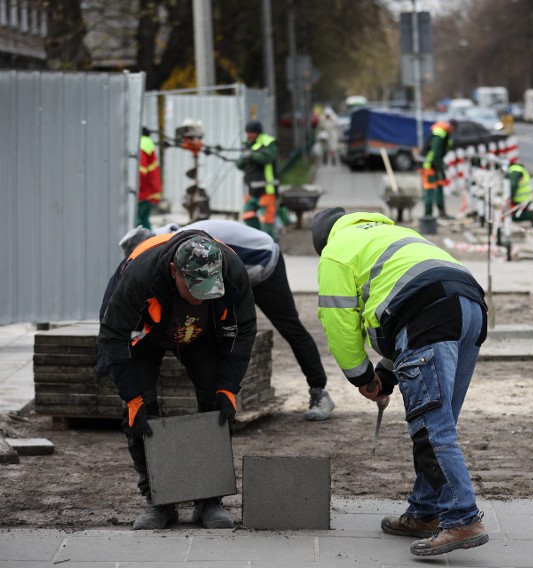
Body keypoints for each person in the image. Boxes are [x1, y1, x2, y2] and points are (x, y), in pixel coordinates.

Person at [310, 208, 489, 557]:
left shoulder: (335, 251)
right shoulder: (389, 235)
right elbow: (403, 308)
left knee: (432, 427)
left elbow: (339, 323)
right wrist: (387, 374)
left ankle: (462, 517)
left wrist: (361, 375)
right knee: (440, 420)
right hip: (469, 307)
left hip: (428, 316)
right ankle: (425, 512)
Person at [98, 231, 257, 530]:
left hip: (201, 335)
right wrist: (132, 396)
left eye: (210, 288)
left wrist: (228, 387)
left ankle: (209, 500)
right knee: (140, 412)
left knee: (217, 406)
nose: (202, 295)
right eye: (195, 288)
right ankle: (159, 500)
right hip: (144, 335)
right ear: (175, 272)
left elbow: (244, 331)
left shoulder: (232, 270)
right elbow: (112, 335)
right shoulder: (138, 278)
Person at [119, 221, 335, 420]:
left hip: (262, 261)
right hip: (230, 271)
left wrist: (226, 383)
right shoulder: (169, 247)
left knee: (289, 327)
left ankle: (319, 390)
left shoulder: (190, 247)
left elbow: (241, 326)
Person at [236, 121, 279, 239]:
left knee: (267, 221)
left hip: (267, 190)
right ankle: (258, 238)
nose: (249, 135)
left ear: (257, 133)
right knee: (247, 215)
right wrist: (243, 158)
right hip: (252, 191)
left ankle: (271, 243)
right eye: (247, 133)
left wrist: (251, 155)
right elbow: (239, 164)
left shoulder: (269, 142)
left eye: (251, 133)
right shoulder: (247, 145)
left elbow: (268, 158)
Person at [420, 119, 455, 219]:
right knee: (429, 190)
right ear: (451, 127)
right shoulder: (439, 135)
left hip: (436, 165)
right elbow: (436, 153)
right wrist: (440, 167)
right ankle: (428, 215)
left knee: (440, 187)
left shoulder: (444, 134)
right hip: (429, 166)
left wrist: (441, 167)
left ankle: (442, 212)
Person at [138, 127, 162, 230]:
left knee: (138, 222)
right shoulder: (148, 145)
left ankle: (141, 244)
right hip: (149, 191)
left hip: (142, 192)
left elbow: (141, 172)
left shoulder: (142, 146)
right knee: (144, 220)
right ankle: (150, 243)